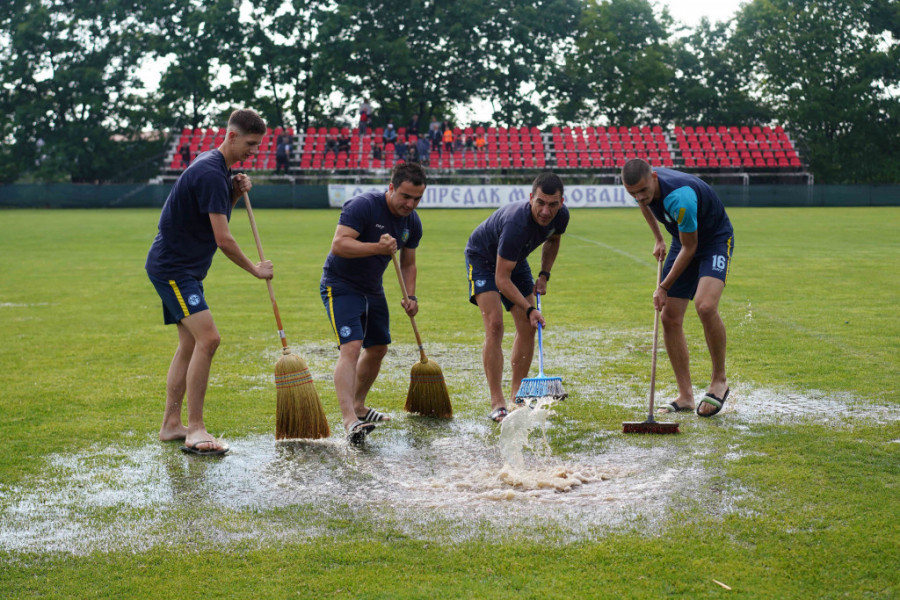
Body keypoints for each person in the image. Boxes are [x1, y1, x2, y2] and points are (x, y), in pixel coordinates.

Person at [145, 109, 274, 455]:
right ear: (231, 136)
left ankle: (172, 425)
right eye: (250, 144)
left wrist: (233, 192)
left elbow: (212, 216)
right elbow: (223, 239)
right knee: (209, 339)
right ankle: (195, 429)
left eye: (257, 145)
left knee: (190, 345)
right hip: (174, 269)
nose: (254, 151)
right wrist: (255, 269)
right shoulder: (209, 172)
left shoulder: (219, 171)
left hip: (184, 270)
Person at [320, 163, 427, 443]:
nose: (410, 204)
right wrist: (377, 248)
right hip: (340, 285)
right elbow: (339, 244)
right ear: (391, 188)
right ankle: (349, 420)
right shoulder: (363, 206)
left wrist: (411, 295)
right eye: (405, 196)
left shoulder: (412, 222)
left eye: (417, 198)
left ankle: (359, 405)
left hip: (372, 288)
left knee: (378, 348)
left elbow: (409, 262)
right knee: (352, 347)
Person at [621, 158, 734, 417]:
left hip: (713, 240)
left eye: (643, 191)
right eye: (633, 193)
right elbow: (645, 206)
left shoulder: (679, 197)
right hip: (682, 239)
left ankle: (719, 380)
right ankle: (685, 396)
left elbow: (691, 248)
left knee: (705, 306)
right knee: (669, 316)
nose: (639, 197)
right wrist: (658, 237)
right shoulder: (642, 190)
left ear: (654, 177)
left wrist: (663, 287)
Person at [464, 172, 569, 422]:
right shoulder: (516, 224)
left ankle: (516, 396)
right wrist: (530, 308)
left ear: (561, 202)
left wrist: (544, 275)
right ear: (531, 197)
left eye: (553, 204)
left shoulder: (560, 217)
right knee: (495, 325)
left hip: (514, 259)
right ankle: (497, 402)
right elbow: (501, 280)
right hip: (482, 258)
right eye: (540, 202)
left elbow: (553, 240)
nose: (546, 211)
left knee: (527, 328)